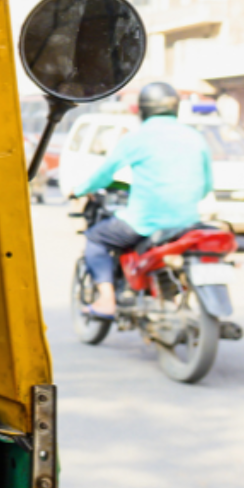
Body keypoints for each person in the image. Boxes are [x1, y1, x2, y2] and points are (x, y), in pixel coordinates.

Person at [71, 82, 213, 318]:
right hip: (188, 222)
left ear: (143, 109)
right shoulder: (195, 137)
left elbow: (105, 174)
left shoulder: (137, 138)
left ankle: (106, 300)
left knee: (96, 238)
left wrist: (79, 190)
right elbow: (207, 187)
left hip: (145, 222)